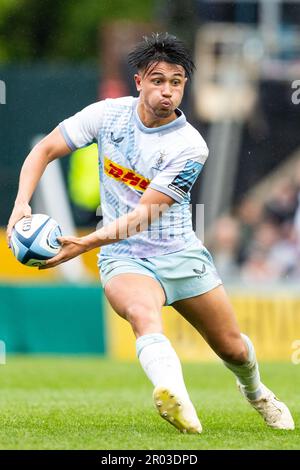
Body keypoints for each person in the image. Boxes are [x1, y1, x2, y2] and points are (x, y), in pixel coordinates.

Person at [7, 33, 294, 434]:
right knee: (143, 315)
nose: (167, 91)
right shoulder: (107, 115)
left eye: (176, 82)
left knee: (231, 347)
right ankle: (173, 396)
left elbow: (143, 216)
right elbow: (44, 150)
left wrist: (83, 245)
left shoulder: (190, 146)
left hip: (179, 254)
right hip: (124, 255)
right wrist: (21, 204)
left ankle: (258, 392)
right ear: (139, 80)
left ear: (184, 88)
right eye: (158, 80)